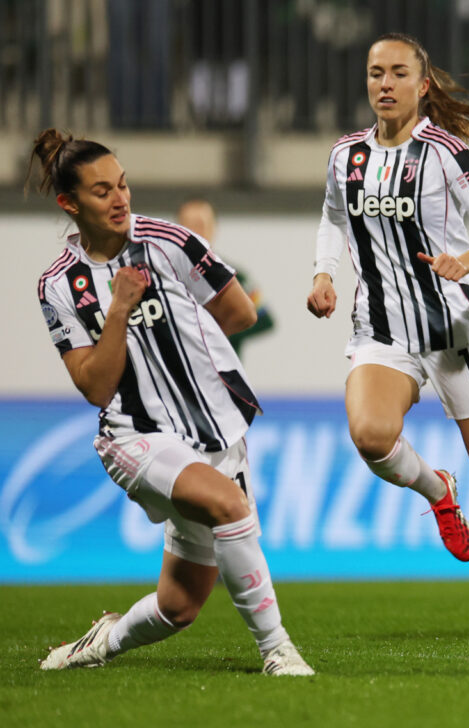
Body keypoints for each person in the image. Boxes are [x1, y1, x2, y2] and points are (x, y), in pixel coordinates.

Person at [306, 33, 469, 640]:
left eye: (398, 73)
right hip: (382, 330)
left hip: (455, 333)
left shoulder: (448, 153)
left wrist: (468, 261)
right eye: (376, 72)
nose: (385, 84)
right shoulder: (345, 155)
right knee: (370, 435)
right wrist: (323, 274)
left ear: (422, 85)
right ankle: (438, 491)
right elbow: (331, 217)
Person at [30, 129, 313, 676]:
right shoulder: (59, 286)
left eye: (123, 184)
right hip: (135, 434)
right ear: (70, 203)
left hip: (215, 430)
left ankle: (102, 642)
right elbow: (94, 387)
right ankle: (278, 651)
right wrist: (119, 310)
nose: (120, 199)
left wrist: (185, 345)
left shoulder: (169, 241)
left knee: (179, 607)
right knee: (230, 505)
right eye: (102, 191)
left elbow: (240, 313)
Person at [177, 198, 275, 359]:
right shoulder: (163, 276)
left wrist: (223, 332)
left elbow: (264, 319)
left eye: (200, 225)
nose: (194, 232)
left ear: (213, 228)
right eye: (188, 225)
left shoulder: (233, 276)